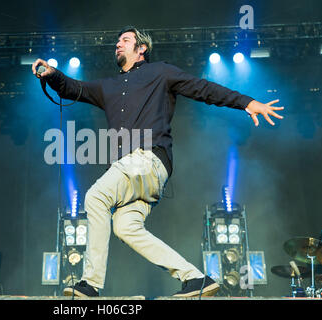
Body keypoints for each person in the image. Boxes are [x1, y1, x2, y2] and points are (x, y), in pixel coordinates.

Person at [32, 26, 284, 297]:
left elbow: (204, 88)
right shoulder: (108, 87)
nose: (118, 44)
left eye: (125, 40)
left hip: (147, 159)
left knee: (95, 198)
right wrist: (53, 74)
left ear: (141, 49)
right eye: (117, 41)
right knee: (125, 227)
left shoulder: (160, 72)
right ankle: (195, 277)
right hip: (141, 175)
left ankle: (91, 283)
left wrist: (246, 102)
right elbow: (74, 88)